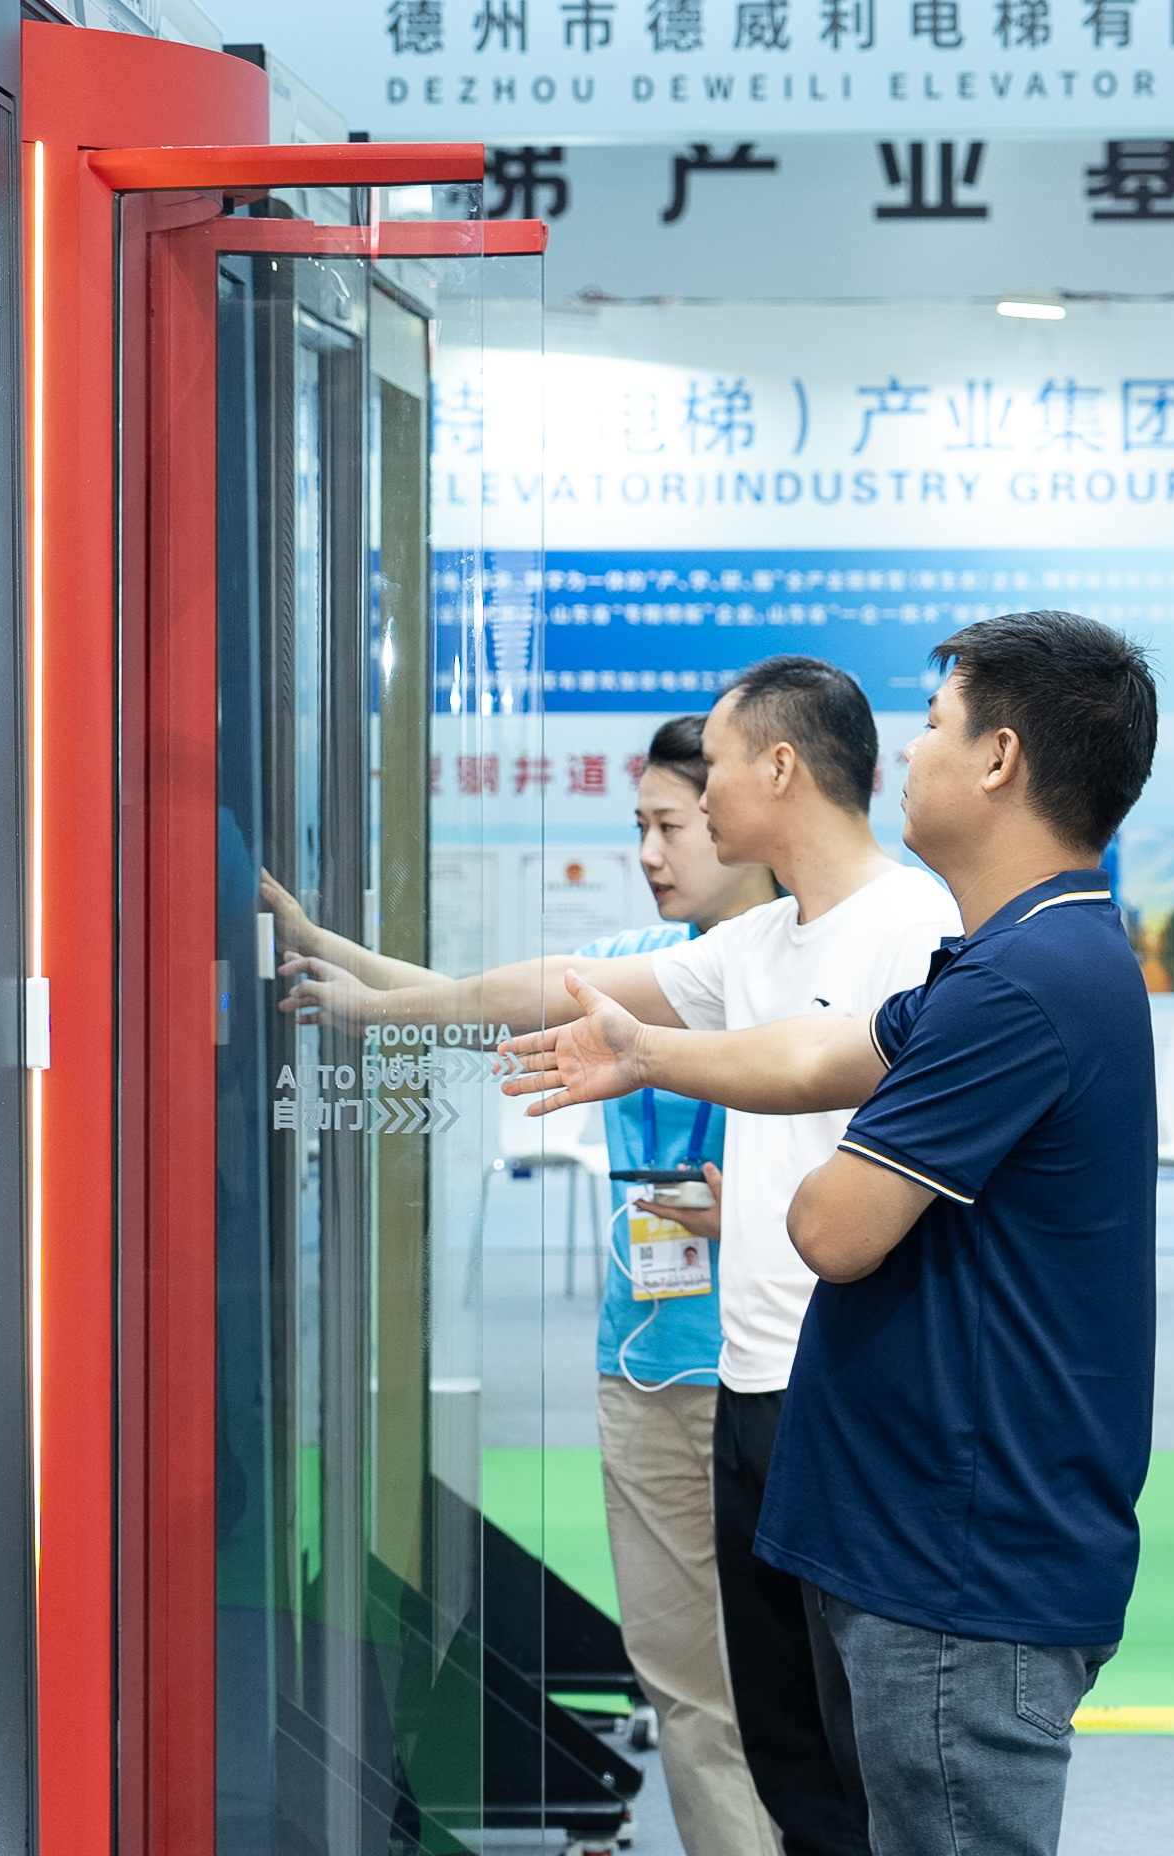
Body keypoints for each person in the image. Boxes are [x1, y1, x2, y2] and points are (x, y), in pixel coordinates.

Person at [500, 611, 1164, 1856]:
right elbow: (824, 1051)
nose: (907, 751)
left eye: (935, 726)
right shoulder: (1022, 954)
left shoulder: (1018, 985)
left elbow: (833, 1223)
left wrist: (791, 1174)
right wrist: (650, 1053)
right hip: (928, 1531)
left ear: (1001, 758)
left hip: (960, 1559)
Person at [282, 657, 949, 1856]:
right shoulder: (756, 944)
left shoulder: (914, 926)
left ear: (778, 769)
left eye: (700, 786)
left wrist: (740, 1178)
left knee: (862, 1721)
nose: (667, 825)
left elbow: (892, 1134)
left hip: (851, 1383)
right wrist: (370, 997)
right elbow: (559, 989)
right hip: (738, 1379)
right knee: (754, 1717)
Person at [557, 716, 788, 1856]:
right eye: (637, 826)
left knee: (795, 1689)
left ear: (740, 818)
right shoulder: (629, 964)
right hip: (644, 1365)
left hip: (777, 1374)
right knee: (687, 1687)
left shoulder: (816, 974)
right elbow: (480, 998)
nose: (648, 853)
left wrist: (748, 1210)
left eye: (670, 825)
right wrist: (351, 981)